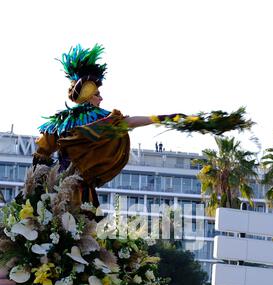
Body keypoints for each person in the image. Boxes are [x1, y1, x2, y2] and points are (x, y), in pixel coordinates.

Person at [33, 44, 183, 207]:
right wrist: (162, 118)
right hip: (80, 189)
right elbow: (131, 122)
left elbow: (41, 154)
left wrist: (36, 190)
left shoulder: (60, 122)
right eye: (97, 94)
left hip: (58, 187)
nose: (101, 98)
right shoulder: (101, 120)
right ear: (87, 96)